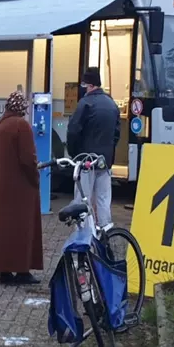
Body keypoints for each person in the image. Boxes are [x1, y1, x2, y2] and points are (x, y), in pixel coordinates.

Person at [0, 91, 43, 285]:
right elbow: (28, 158)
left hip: (1, 187)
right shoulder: (21, 126)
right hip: (20, 188)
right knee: (22, 229)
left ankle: (4, 270)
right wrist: (36, 177)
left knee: (4, 229)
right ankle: (22, 269)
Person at [66, 68, 120, 229]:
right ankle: (105, 231)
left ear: (89, 85)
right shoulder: (112, 104)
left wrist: (75, 155)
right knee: (103, 199)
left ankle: (83, 232)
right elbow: (116, 134)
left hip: (86, 160)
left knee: (83, 199)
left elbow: (73, 131)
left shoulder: (85, 104)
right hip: (105, 161)